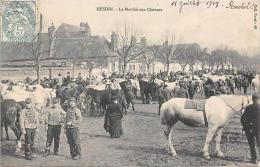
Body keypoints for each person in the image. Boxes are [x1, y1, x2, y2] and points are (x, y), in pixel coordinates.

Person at [241, 94, 260, 164]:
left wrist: (245, 126)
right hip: (258, 129)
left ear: (252, 99)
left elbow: (242, 118)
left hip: (249, 129)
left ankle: (254, 159)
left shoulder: (248, 107)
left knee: (252, 145)